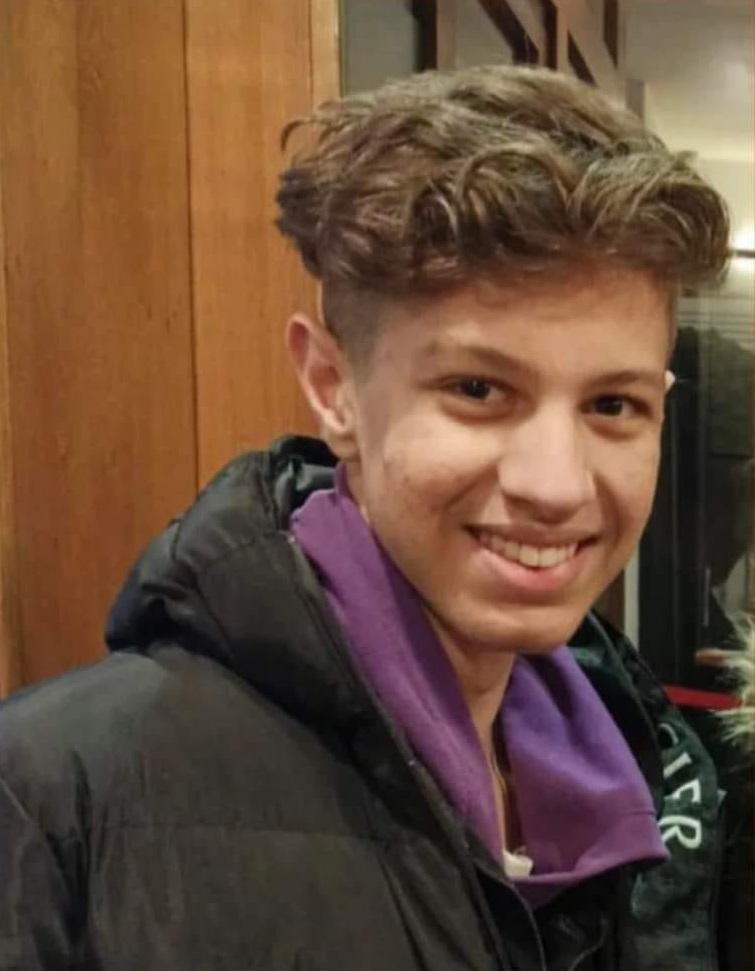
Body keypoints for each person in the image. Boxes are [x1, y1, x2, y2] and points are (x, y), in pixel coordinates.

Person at [0, 66, 734, 970]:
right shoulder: (52, 799)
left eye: (612, 405)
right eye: (477, 390)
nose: (555, 484)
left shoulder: (649, 775)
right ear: (331, 385)